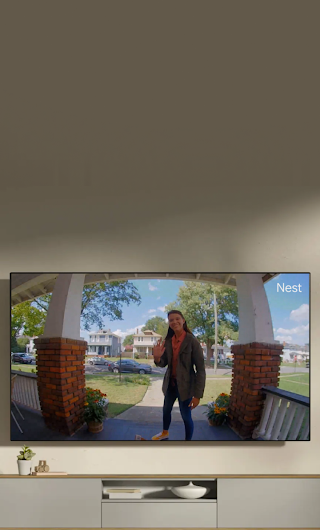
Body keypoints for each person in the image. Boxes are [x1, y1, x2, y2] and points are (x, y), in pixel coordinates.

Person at [151, 310, 206, 441]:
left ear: (183, 321)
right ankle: (165, 433)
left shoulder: (192, 341)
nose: (174, 322)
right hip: (170, 384)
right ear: (169, 324)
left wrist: (198, 395)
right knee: (166, 410)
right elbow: (163, 363)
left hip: (186, 387)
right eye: (171, 320)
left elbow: (201, 370)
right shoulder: (168, 341)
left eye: (177, 319)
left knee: (186, 417)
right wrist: (157, 358)